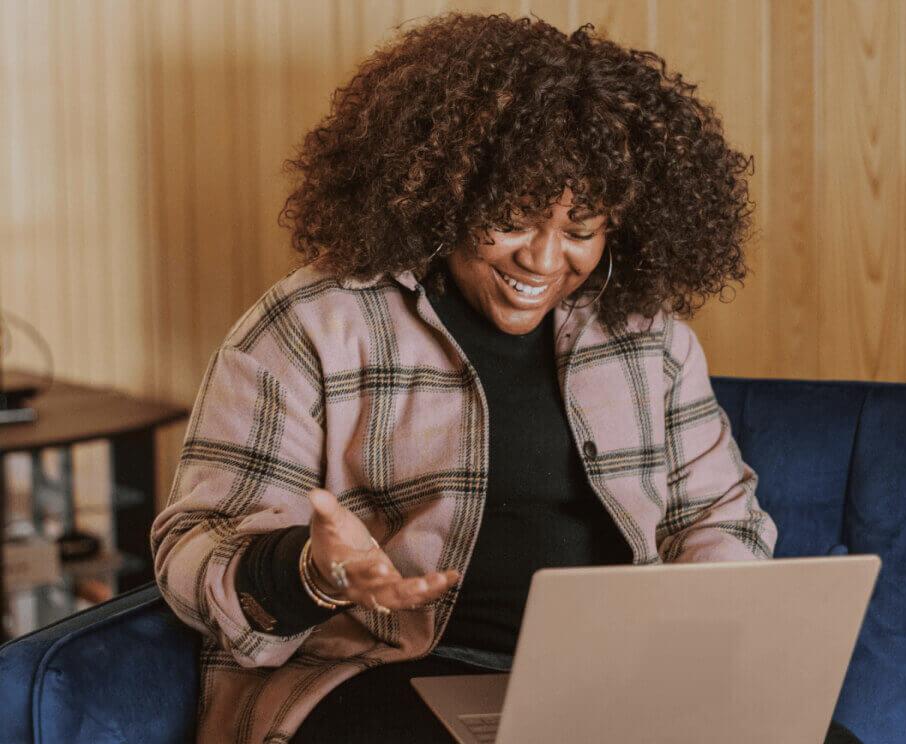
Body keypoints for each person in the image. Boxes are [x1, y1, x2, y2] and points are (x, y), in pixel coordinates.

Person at [150, 11, 862, 744]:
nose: (545, 261)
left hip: (609, 684)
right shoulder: (312, 325)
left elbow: (717, 517)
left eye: (581, 229)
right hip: (380, 674)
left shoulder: (650, 339)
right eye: (514, 220)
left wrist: (694, 642)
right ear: (444, 195)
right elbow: (193, 546)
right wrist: (308, 572)